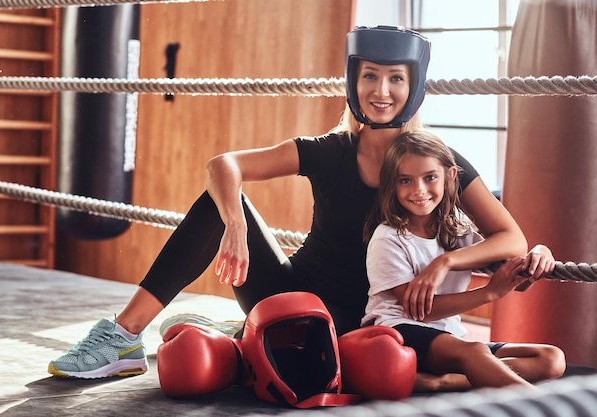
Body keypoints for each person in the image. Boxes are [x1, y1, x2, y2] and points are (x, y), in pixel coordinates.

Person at [47, 26, 555, 386]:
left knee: (536, 363)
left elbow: (509, 237)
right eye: (370, 76)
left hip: (373, 325)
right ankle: (122, 336)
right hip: (289, 297)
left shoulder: (435, 162)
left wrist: (446, 260)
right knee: (216, 204)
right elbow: (225, 164)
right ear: (354, 82)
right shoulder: (331, 150)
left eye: (396, 78)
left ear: (413, 85)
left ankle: (246, 338)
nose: (381, 90)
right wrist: (234, 227)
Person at [362, 130, 566, 391]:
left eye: (430, 177)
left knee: (551, 360)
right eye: (405, 180)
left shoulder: (458, 233)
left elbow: (516, 278)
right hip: (399, 334)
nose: (419, 190)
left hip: (450, 339)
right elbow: (421, 311)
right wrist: (490, 293)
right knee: (475, 352)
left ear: (451, 177)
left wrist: (540, 253)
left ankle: (442, 382)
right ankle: (549, 408)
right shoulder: (388, 238)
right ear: (392, 183)